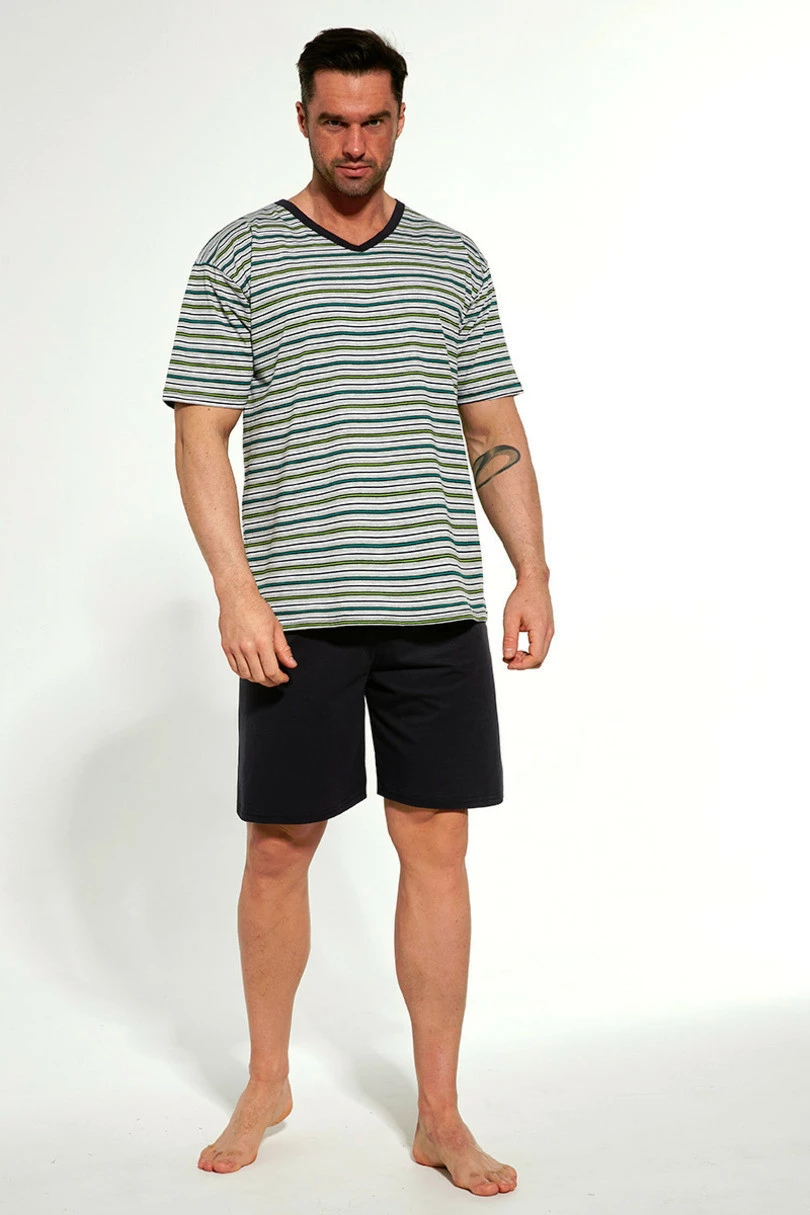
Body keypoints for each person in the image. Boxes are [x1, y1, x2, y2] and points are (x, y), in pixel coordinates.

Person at [161, 26, 553, 1199]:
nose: (353, 142)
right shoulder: (240, 257)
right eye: (333, 120)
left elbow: (493, 428)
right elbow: (200, 434)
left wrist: (533, 571)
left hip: (435, 608)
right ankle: (267, 1081)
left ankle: (439, 1112)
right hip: (300, 616)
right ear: (301, 119)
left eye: (374, 120)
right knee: (280, 846)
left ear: (399, 120)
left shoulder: (451, 261)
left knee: (437, 845)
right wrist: (235, 588)